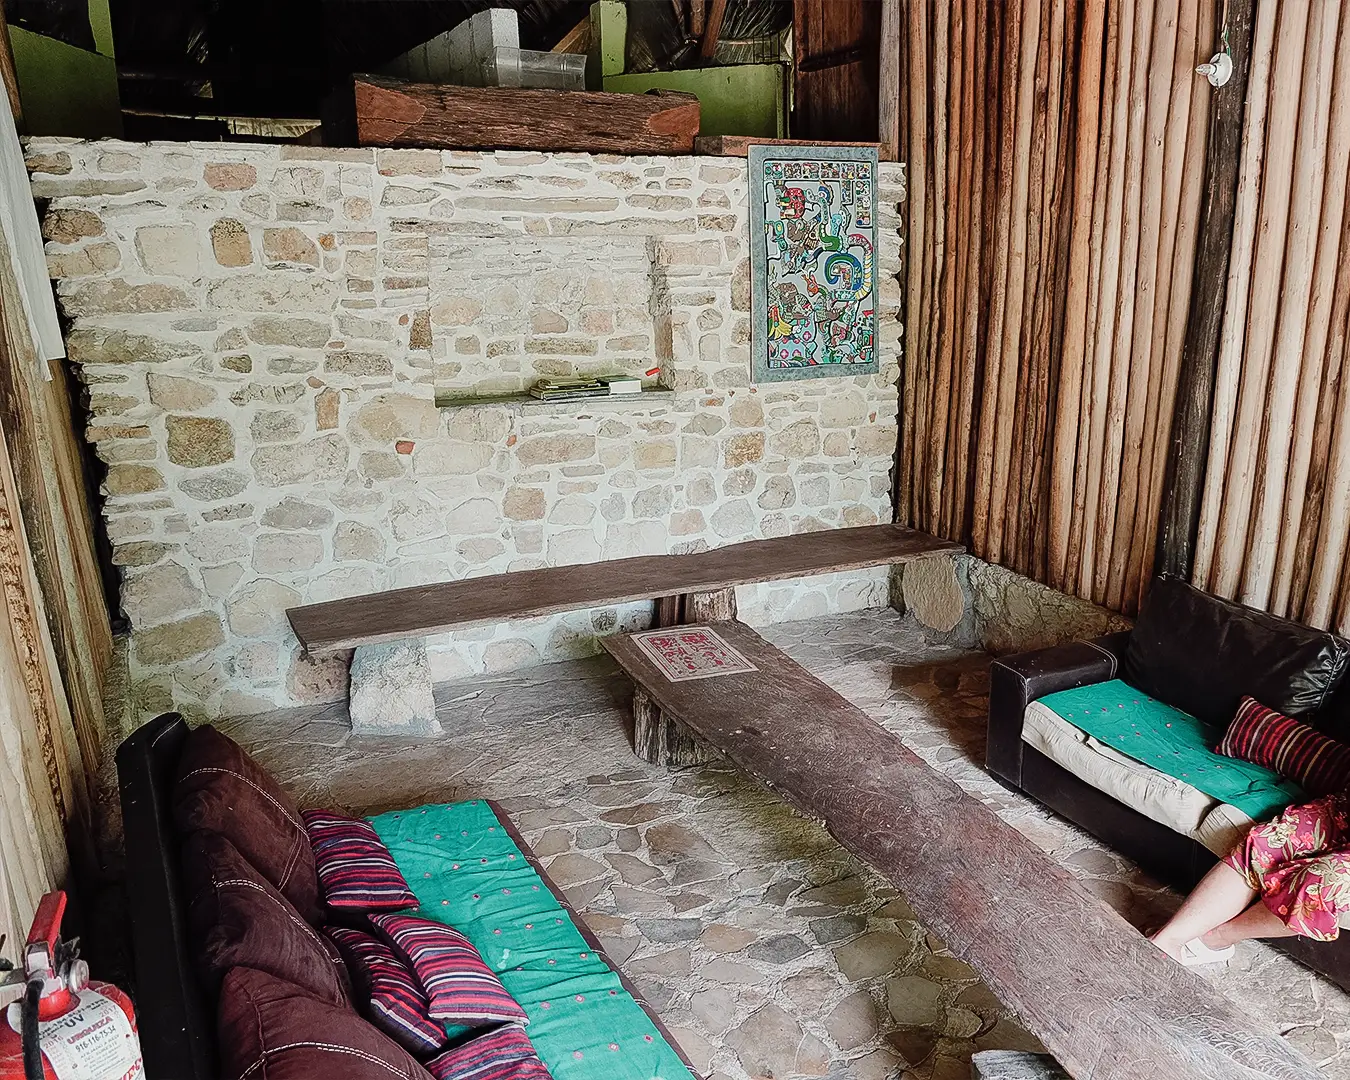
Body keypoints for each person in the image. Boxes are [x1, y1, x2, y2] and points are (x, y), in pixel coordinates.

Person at [1151, 792, 1350, 966]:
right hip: (1343, 811)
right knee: (1270, 841)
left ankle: (1215, 939)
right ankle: (1167, 940)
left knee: (1322, 884)